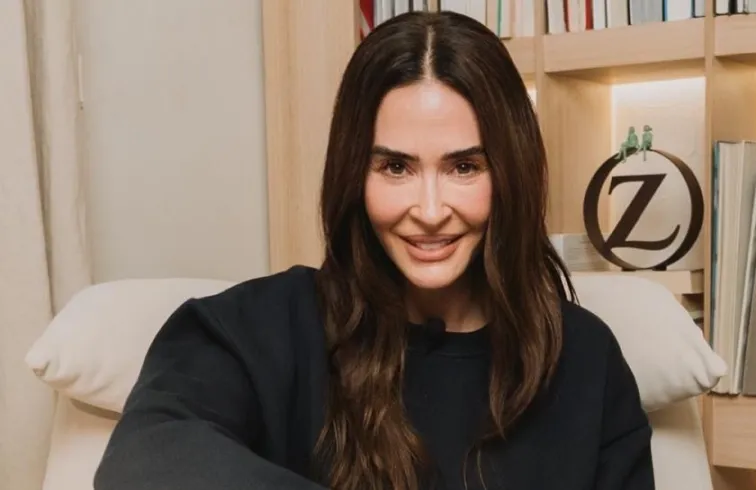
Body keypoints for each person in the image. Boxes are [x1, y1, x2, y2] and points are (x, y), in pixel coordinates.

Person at [93, 10, 654, 490]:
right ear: (353, 175)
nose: (430, 211)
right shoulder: (258, 329)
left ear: (511, 173)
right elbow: (145, 461)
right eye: (395, 167)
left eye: (464, 167)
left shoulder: (585, 359)